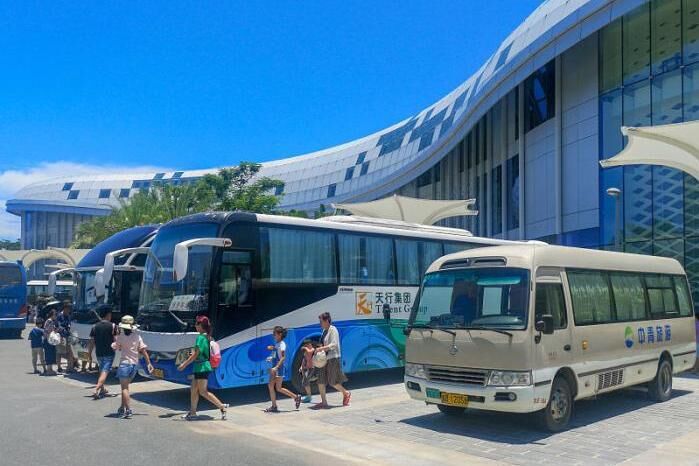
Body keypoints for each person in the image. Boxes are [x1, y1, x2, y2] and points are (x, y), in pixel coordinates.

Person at [177, 316, 228, 420]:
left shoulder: (200, 337)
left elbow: (196, 354)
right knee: (194, 389)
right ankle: (192, 412)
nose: (195, 326)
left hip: (201, 367)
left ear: (201, 326)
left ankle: (222, 406)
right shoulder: (206, 337)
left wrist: (184, 364)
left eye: (197, 324)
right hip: (200, 366)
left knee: (203, 391)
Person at [111, 315, 153, 419]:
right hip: (134, 365)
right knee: (125, 387)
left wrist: (114, 341)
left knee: (124, 388)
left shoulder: (120, 337)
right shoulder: (137, 336)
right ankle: (122, 407)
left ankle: (128, 409)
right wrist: (149, 363)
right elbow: (143, 351)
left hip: (124, 364)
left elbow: (116, 347)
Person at [312, 312, 350, 409]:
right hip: (324, 359)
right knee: (320, 380)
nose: (320, 324)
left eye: (321, 321)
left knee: (333, 381)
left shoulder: (333, 330)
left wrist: (322, 348)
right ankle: (324, 402)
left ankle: (346, 393)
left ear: (326, 321)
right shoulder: (324, 331)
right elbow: (322, 344)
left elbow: (334, 345)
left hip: (333, 358)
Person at [264, 326, 301, 413]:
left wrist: (276, 367)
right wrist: (270, 358)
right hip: (275, 368)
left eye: (274, 334)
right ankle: (294, 398)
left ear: (280, 334)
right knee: (273, 386)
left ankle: (294, 398)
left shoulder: (282, 344)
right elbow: (277, 355)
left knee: (277, 387)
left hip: (278, 368)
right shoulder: (277, 343)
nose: (273, 335)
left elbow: (283, 357)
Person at [87, 305, 117, 399]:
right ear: (108, 315)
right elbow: (116, 340)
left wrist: (89, 353)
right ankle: (96, 389)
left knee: (101, 369)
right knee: (105, 371)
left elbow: (91, 341)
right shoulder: (112, 326)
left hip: (99, 352)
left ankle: (102, 389)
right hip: (109, 352)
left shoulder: (94, 326)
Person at [56, 301, 76, 373]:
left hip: (68, 336)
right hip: (61, 336)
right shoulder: (59, 316)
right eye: (68, 309)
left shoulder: (68, 316)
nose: (69, 311)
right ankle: (59, 367)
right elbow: (58, 326)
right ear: (64, 308)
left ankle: (69, 367)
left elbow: (70, 324)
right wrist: (63, 330)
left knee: (70, 352)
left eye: (70, 309)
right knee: (59, 352)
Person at [298, 339, 316, 403]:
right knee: (305, 382)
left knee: (305, 381)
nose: (308, 346)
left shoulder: (312, 350)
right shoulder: (306, 351)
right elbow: (304, 360)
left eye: (308, 344)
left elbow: (310, 352)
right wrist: (301, 367)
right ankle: (308, 396)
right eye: (306, 345)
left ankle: (309, 397)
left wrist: (305, 348)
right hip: (308, 368)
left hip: (312, 368)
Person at [42, 309, 58, 376]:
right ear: (52, 315)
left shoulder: (50, 321)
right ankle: (49, 370)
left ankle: (50, 369)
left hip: (50, 340)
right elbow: (48, 331)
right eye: (55, 314)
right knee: (49, 354)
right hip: (49, 340)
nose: (56, 316)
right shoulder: (49, 321)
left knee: (51, 354)